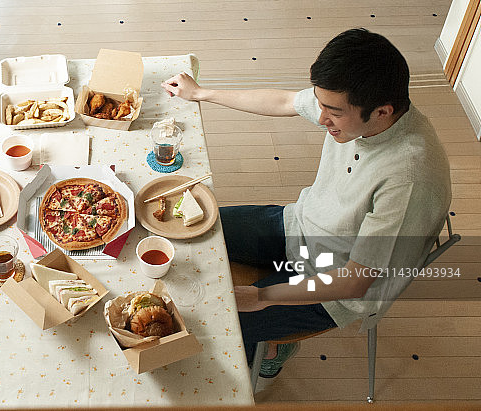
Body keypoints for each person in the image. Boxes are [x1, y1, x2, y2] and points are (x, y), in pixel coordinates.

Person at [161, 28, 451, 380]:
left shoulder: (408, 179)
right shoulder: (353, 108)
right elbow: (285, 102)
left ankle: (270, 350)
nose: (322, 118)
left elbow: (355, 282)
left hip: (333, 280)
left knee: (215, 320)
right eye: (320, 104)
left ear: (381, 111)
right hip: (299, 224)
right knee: (189, 227)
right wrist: (201, 93)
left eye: (333, 112)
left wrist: (264, 296)